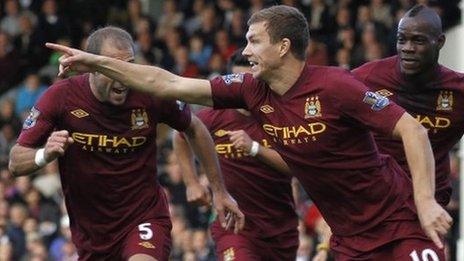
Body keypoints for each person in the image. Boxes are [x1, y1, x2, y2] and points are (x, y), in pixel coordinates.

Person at [46, 5, 453, 260]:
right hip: (349, 238)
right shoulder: (249, 90)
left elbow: (411, 129)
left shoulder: (336, 86)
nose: (245, 52)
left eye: (254, 42)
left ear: (283, 47)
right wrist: (97, 63)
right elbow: (167, 83)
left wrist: (425, 201)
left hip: (401, 222)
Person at [9, 26, 244, 260]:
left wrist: (218, 190)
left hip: (144, 216)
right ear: (93, 66)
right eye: (112, 66)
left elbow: (194, 127)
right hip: (92, 232)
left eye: (128, 64)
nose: (123, 74)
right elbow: (16, 162)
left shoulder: (149, 93)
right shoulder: (61, 97)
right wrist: (45, 155)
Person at [173, 49, 299, 260]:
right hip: (233, 224)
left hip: (279, 227)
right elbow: (182, 135)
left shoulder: (279, 115)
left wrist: (254, 148)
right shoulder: (212, 118)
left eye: (249, 82)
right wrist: (192, 182)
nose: (243, 90)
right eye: (237, 84)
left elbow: (296, 166)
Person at [352, 4, 464, 208]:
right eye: (401, 39)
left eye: (418, 40)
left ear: (439, 42)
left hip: (427, 206)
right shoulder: (366, 79)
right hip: (372, 201)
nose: (407, 48)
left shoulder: (458, 91)